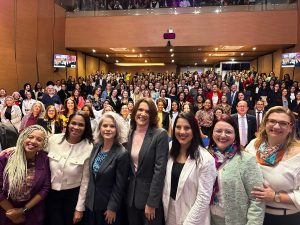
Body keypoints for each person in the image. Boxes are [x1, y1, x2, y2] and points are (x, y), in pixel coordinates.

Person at [246, 106, 300, 225]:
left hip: (284, 218)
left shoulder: (298, 154)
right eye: (272, 121)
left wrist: (275, 196)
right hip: (253, 214)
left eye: (283, 123)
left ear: (290, 127)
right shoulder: (253, 145)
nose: (276, 126)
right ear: (265, 124)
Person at [209, 115, 265, 225]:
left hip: (237, 220)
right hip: (209, 219)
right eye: (218, 131)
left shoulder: (246, 160)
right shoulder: (206, 157)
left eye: (228, 132)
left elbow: (257, 199)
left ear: (235, 135)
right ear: (212, 133)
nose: (223, 135)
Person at [162, 112, 216, 225]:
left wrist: (190, 222)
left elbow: (204, 198)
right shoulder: (169, 148)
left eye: (187, 128)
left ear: (195, 130)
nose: (182, 132)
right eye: (178, 127)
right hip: (170, 210)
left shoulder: (205, 159)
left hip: (194, 216)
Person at [45, 111, 94, 225]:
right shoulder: (54, 140)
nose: (76, 127)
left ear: (86, 127)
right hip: (50, 195)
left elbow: (85, 181)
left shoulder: (89, 147)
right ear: (68, 124)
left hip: (72, 197)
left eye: (81, 125)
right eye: (73, 123)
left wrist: (79, 208)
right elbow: (35, 151)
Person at [126, 98, 169, 225]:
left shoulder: (160, 134)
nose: (143, 114)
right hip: (130, 199)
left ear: (153, 115)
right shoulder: (130, 133)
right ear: (134, 112)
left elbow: (159, 171)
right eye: (140, 110)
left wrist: (152, 202)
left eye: (147, 111)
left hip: (149, 200)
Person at [0, 125, 51, 225]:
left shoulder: (44, 159)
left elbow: (45, 188)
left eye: (39, 139)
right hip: (6, 213)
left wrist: (22, 211)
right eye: (30, 137)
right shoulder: (5, 158)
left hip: (32, 214)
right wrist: (13, 213)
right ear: (23, 137)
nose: (33, 141)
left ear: (43, 144)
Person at [85, 112, 130, 225]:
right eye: (105, 126)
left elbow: (120, 185)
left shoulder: (122, 153)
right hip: (91, 204)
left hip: (107, 209)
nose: (108, 129)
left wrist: (112, 208)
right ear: (100, 128)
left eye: (112, 126)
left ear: (117, 129)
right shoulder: (96, 147)